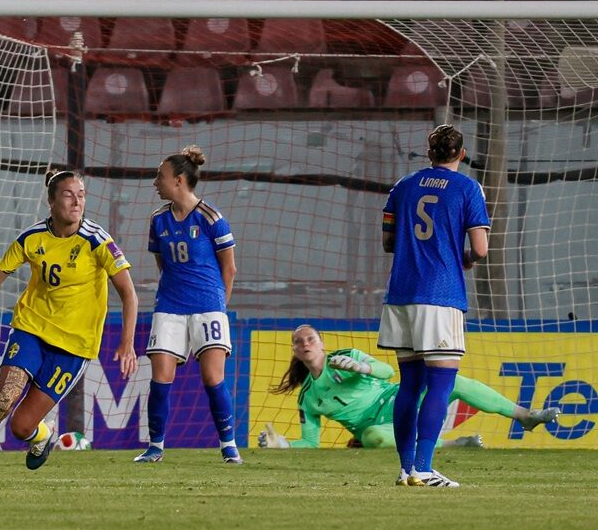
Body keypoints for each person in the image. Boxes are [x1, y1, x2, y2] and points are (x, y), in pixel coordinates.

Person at [0, 170, 138, 493]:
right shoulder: (31, 238)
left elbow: (128, 293)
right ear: (51, 201)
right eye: (68, 194)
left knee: (21, 426)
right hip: (31, 329)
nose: (77, 200)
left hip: (74, 347)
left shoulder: (98, 241)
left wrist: (127, 341)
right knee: (2, 401)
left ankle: (42, 436)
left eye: (81, 194)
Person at [377, 124, 490, 487]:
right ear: (461, 153)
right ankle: (425, 468)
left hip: (401, 294)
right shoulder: (468, 188)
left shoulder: (403, 186)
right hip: (440, 295)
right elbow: (481, 249)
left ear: (429, 153)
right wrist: (465, 257)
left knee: (409, 384)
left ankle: (406, 468)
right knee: (441, 383)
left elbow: (389, 242)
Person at [258, 324, 560, 450]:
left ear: (322, 344)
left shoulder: (347, 356)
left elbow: (388, 371)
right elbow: (310, 444)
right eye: (299, 342)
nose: (305, 343)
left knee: (454, 380)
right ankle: (456, 445)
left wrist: (362, 367)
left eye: (311, 338)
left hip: (401, 400)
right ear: (295, 351)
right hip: (378, 428)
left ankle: (524, 415)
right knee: (372, 436)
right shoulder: (308, 398)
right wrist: (283, 445)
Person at [134, 145, 242, 465]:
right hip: (170, 307)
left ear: (179, 180)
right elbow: (163, 263)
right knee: (160, 377)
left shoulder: (212, 218)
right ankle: (155, 447)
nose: (156, 182)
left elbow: (230, 269)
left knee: (212, 378)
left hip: (209, 306)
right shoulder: (157, 220)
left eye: (160, 176)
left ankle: (228, 445)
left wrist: (219, 306)